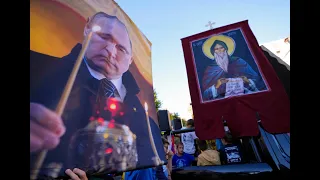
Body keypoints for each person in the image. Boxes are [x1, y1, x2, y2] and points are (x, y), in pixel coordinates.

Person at [30, 12, 165, 178]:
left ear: (130, 60)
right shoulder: (37, 74)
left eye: (121, 48)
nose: (109, 50)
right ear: (87, 29)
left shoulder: (147, 122)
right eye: (104, 37)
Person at [202, 39, 267, 101]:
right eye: (216, 49)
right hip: (223, 102)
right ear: (213, 51)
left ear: (225, 49)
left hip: (247, 96)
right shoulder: (210, 69)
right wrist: (216, 85)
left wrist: (247, 80)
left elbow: (257, 79)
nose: (219, 50)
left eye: (221, 47)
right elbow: (205, 93)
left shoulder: (238, 61)